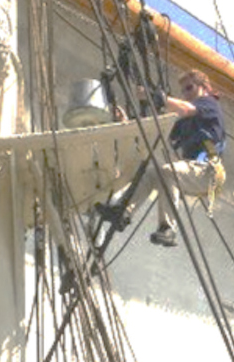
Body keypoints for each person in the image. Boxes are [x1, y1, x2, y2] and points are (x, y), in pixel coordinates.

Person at [97, 69, 226, 247]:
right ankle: (123, 212)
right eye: (184, 91)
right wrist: (126, 122)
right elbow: (155, 130)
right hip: (191, 170)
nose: (186, 94)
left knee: (168, 171)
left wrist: (158, 97)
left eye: (190, 88)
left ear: (205, 88)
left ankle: (168, 229)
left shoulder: (209, 104)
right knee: (150, 174)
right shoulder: (185, 121)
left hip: (208, 172)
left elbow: (186, 108)